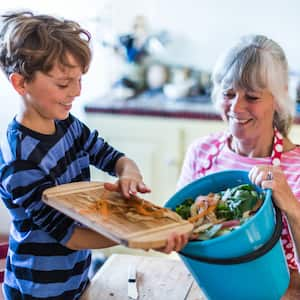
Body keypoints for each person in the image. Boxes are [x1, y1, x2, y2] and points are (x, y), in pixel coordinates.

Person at [0, 11, 189, 300]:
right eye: (64, 83)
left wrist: (129, 174)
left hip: (77, 278)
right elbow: (71, 237)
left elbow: (114, 158)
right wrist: (141, 236)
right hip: (39, 289)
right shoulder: (20, 163)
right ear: (20, 83)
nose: (75, 92)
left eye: (79, 80)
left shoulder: (67, 124)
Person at [177, 34, 300, 299]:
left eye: (252, 97)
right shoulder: (201, 153)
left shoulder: (297, 168)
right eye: (229, 93)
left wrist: (291, 206)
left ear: (278, 99)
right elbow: (179, 232)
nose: (236, 107)